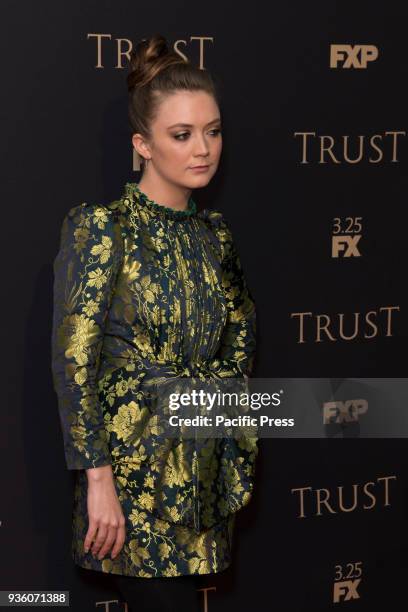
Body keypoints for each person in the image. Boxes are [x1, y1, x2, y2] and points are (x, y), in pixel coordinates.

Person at [51, 33, 258, 612]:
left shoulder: (216, 235)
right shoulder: (102, 228)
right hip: (131, 490)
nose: (203, 149)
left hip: (204, 481)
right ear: (142, 144)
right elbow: (75, 364)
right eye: (182, 135)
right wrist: (99, 482)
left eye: (213, 131)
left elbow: (240, 347)